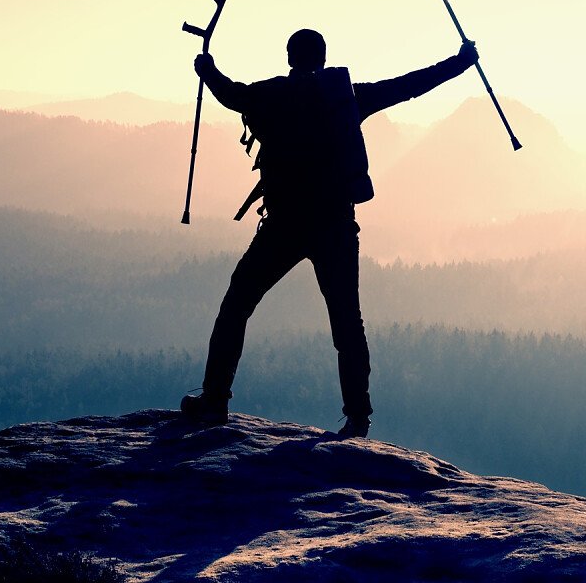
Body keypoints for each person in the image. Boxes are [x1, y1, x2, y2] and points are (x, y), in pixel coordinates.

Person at [181, 29, 479, 438]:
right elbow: (408, 86)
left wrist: (206, 68)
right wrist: (459, 63)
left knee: (237, 305)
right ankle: (357, 419)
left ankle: (215, 402)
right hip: (335, 225)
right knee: (347, 322)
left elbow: (231, 94)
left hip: (283, 225)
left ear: (290, 57)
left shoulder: (271, 94)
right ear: (323, 58)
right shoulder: (346, 97)